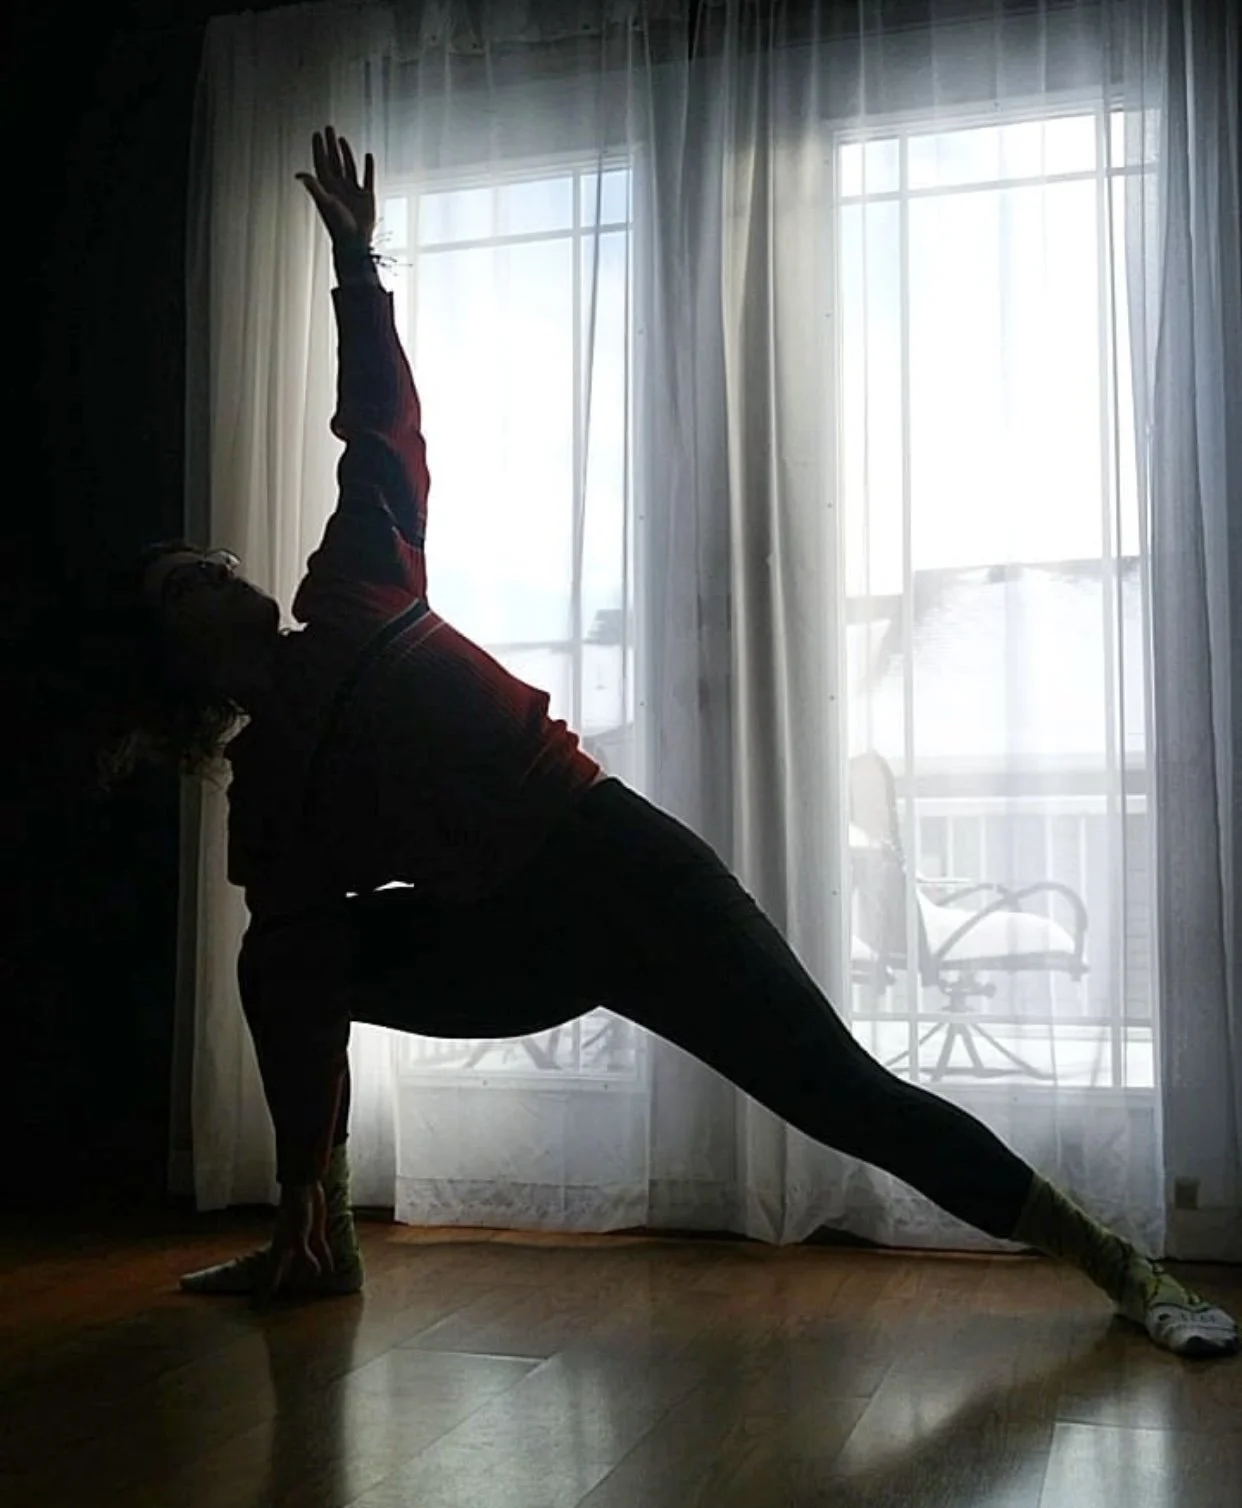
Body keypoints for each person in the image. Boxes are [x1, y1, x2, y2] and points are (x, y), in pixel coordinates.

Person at [97, 127, 1236, 1358]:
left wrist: (357, 265)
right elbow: (302, 995)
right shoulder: (267, 794)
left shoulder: (353, 586)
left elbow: (381, 429)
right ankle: (315, 1239)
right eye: (190, 582)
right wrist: (301, 1174)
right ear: (179, 666)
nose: (223, 568)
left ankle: (1121, 1263)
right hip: (512, 938)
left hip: (627, 872)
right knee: (279, 954)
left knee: (844, 1094)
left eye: (213, 556)